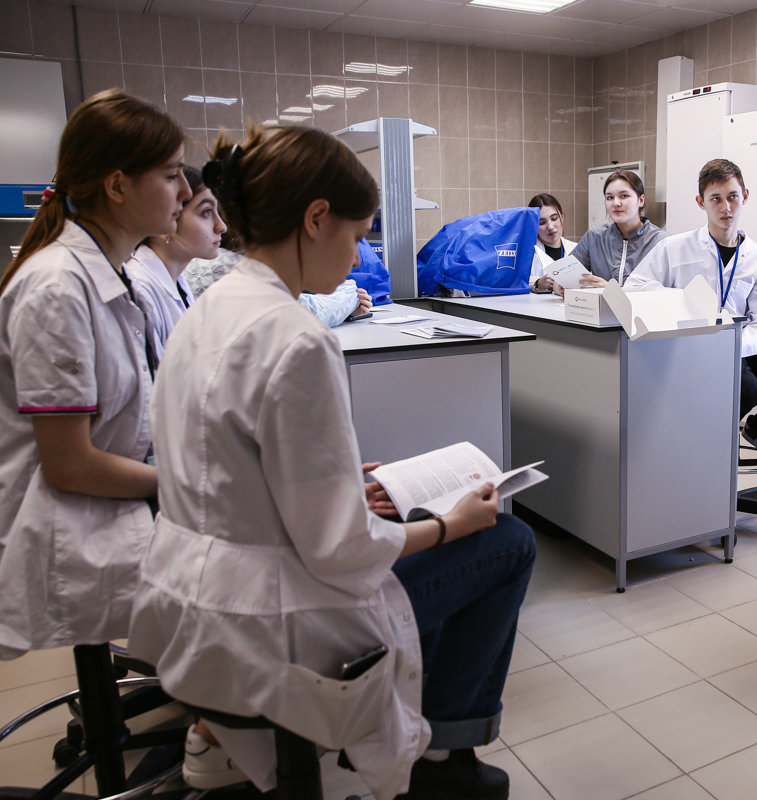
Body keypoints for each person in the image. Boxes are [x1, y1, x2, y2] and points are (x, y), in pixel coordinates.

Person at [128, 125, 536, 800]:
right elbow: (342, 552)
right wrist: (449, 525)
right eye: (357, 236)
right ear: (316, 219)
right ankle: (442, 758)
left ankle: (433, 743)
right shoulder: (297, 337)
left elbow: (226, 464)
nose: (357, 258)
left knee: (445, 536)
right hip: (277, 620)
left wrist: (346, 482)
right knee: (507, 541)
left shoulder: (207, 307)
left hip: (192, 591)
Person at [0, 90, 189, 660]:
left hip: (97, 509)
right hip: (56, 527)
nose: (183, 190)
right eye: (171, 174)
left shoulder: (110, 275)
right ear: (118, 185)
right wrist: (186, 480)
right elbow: (70, 464)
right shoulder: (58, 287)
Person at [625, 158, 757, 463]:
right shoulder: (675, 248)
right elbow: (634, 287)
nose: (726, 207)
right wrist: (676, 301)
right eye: (716, 199)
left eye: (733, 197)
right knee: (746, 387)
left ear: (745, 196)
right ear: (701, 202)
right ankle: (703, 454)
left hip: (741, 345)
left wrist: (733, 345)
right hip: (690, 348)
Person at [124, 165, 225, 360]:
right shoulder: (140, 291)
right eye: (206, 212)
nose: (221, 226)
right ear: (166, 221)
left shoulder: (177, 282)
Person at [184, 230, 374, 326]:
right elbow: (303, 312)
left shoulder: (208, 263)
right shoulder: (221, 266)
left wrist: (345, 308)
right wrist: (348, 295)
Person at [556, 169, 666, 295]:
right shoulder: (595, 237)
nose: (616, 203)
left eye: (624, 196)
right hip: (600, 307)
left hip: (642, 308)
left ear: (641, 200)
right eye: (610, 197)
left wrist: (612, 290)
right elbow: (562, 275)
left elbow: (666, 293)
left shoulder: (660, 241)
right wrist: (559, 286)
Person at [527, 192, 576, 293]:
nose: (550, 226)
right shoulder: (527, 253)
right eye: (542, 223)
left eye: (554, 218)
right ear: (533, 226)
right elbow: (516, 281)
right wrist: (538, 283)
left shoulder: (576, 249)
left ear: (562, 218)